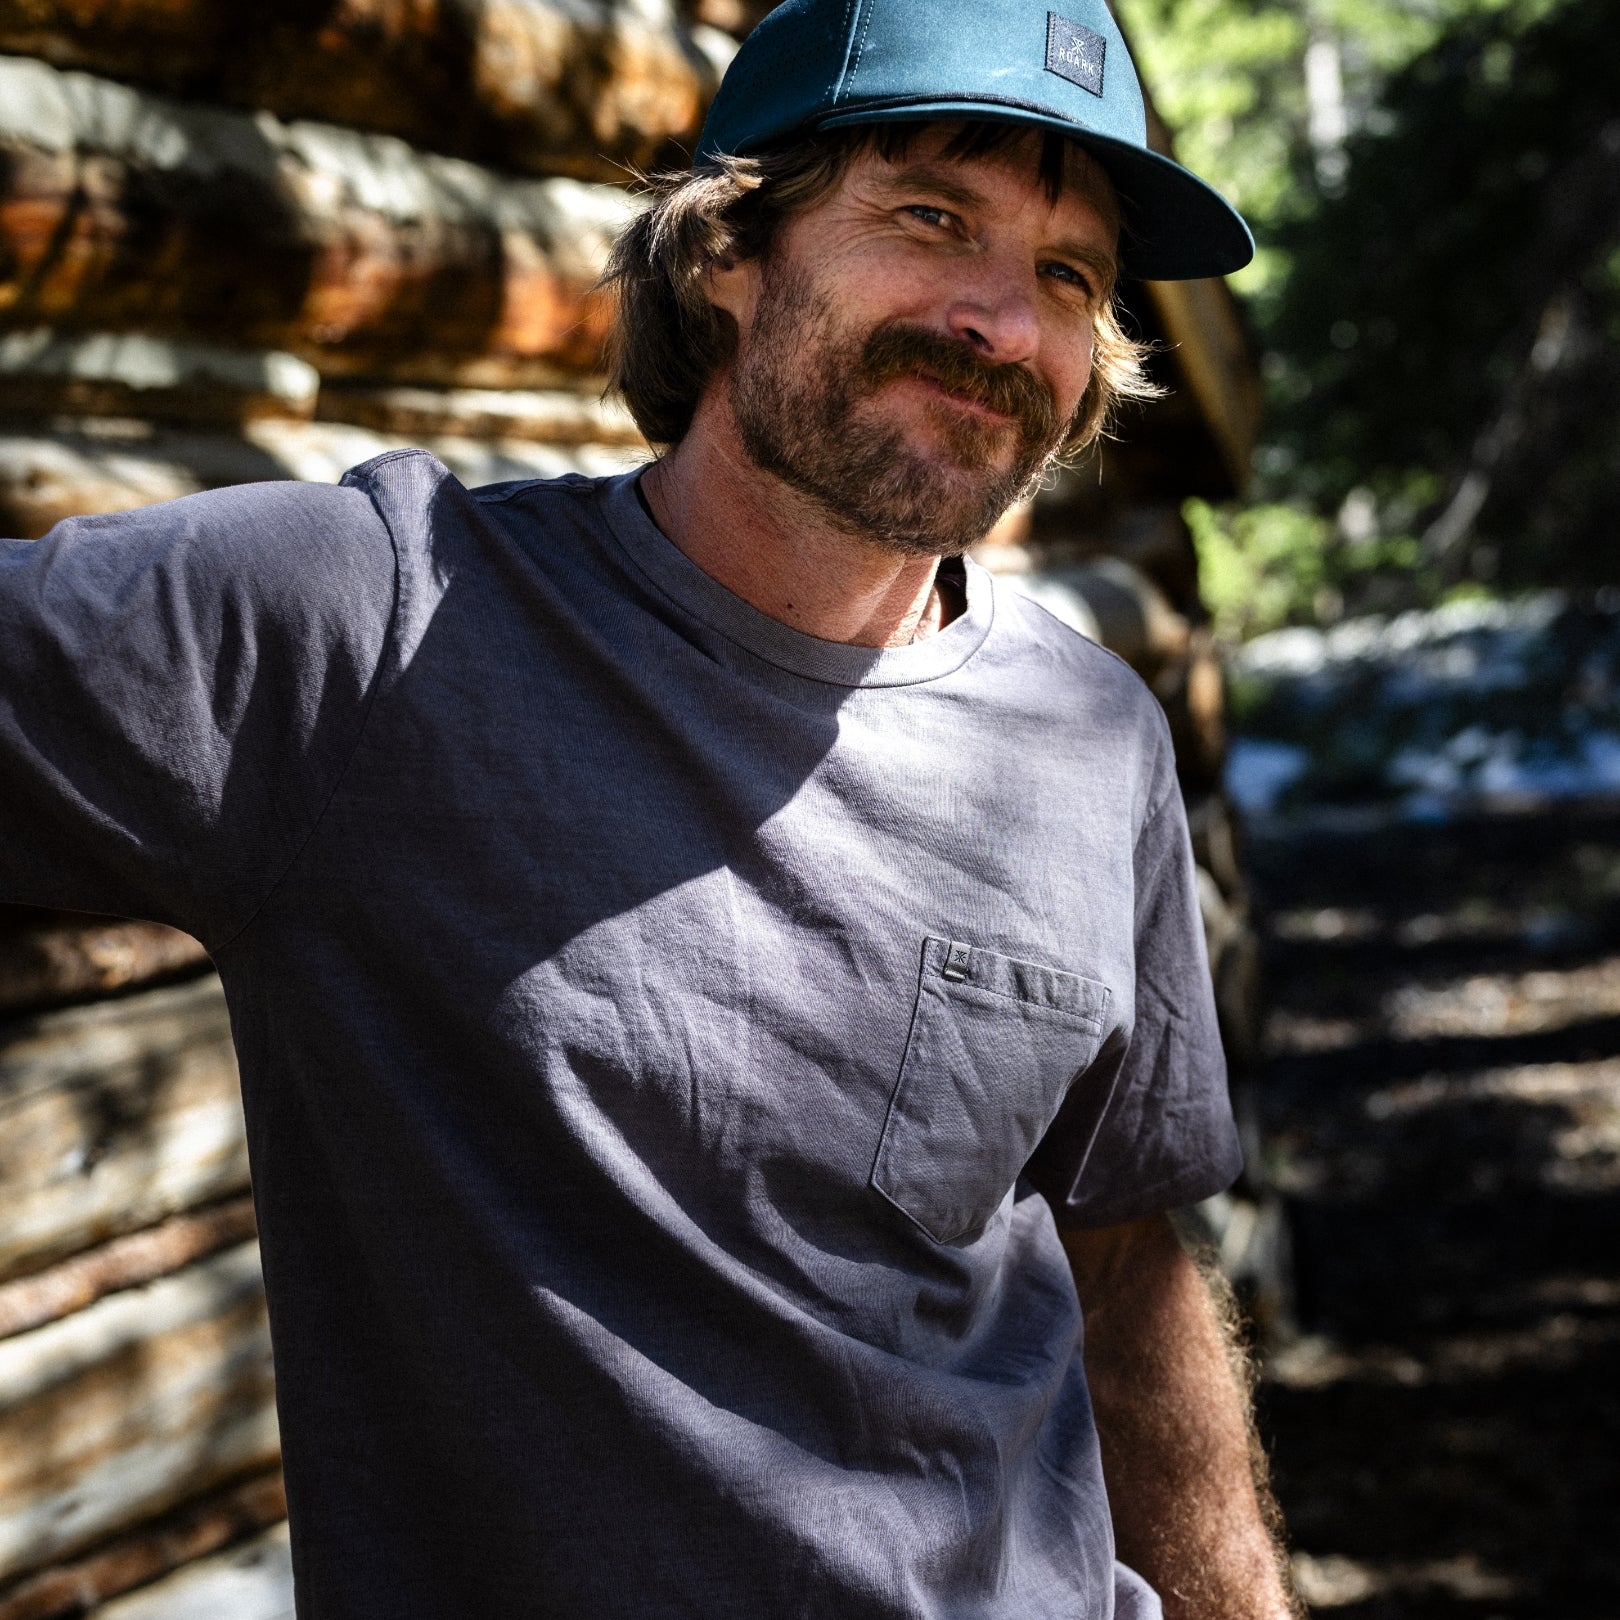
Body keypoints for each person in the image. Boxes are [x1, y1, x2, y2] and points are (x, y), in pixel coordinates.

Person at [0, 0, 1298, 1613]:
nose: (1001, 321)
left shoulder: (1092, 738)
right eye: (930, 217)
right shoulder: (368, 630)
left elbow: (1126, 1265)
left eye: (1069, 276)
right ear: (726, 251)